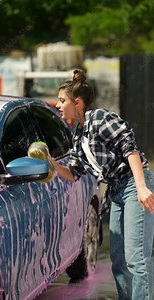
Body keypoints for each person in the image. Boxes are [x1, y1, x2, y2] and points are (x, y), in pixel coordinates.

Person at [48, 69, 154, 300]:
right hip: (116, 192)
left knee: (136, 258)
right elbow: (72, 172)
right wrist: (50, 162)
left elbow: (129, 147)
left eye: (62, 100)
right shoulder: (79, 136)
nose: (57, 105)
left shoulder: (98, 119)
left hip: (133, 185)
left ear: (77, 102)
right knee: (118, 260)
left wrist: (142, 186)